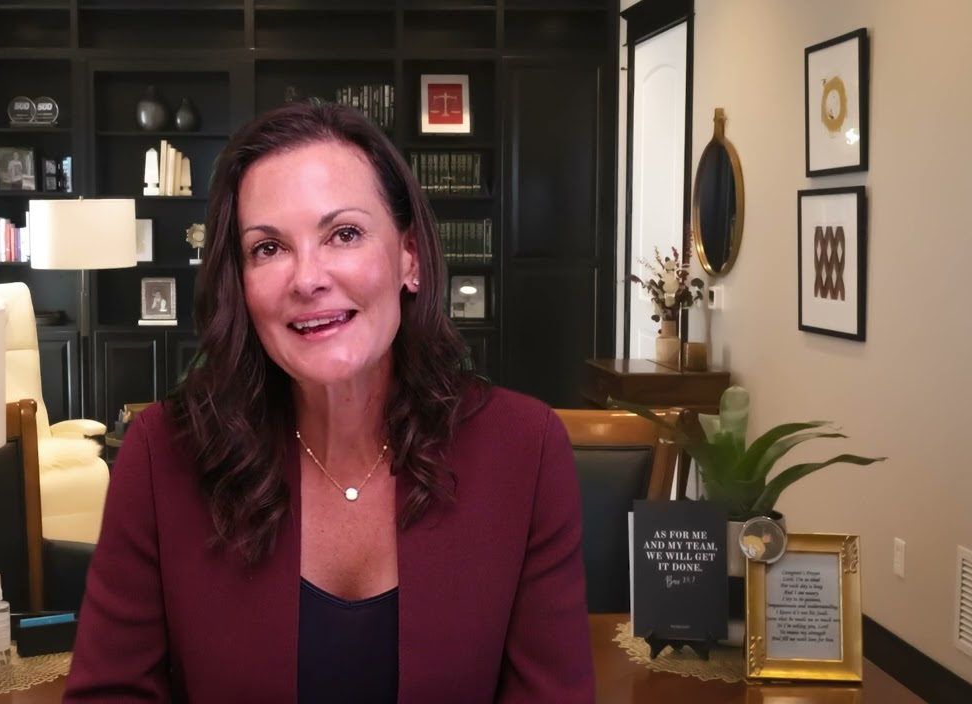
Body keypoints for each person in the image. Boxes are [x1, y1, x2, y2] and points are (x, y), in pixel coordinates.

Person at [63, 101, 594, 703]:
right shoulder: (162, 455)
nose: (306, 278)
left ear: (409, 257)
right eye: (268, 248)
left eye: (343, 234)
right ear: (239, 281)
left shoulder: (524, 449)